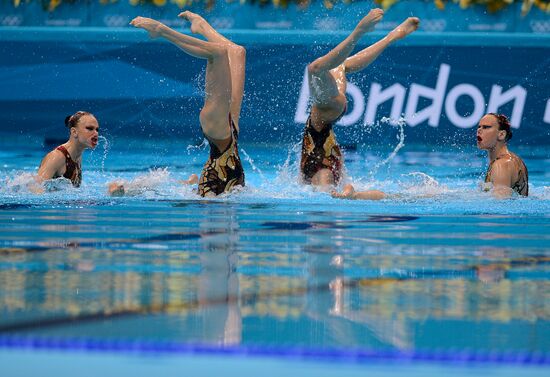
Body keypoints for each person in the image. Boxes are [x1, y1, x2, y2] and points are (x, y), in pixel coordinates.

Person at [117, 12, 246, 198]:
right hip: (225, 134)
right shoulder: (215, 195)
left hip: (222, 134)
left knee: (224, 52)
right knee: (234, 52)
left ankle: (176, 29)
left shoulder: (209, 197)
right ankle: (170, 30)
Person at [302, 9, 418, 197]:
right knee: (329, 67)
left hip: (325, 118)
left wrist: (361, 31)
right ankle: (384, 35)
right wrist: (391, 37)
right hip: (329, 119)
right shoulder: (323, 171)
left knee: (316, 69)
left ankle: (361, 31)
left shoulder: (319, 173)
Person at [36, 111, 99, 189]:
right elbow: (36, 189)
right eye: (90, 128)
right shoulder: (56, 157)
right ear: (74, 132)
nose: (96, 133)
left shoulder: (77, 156)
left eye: (97, 130)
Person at [477, 113, 528, 198]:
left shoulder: (501, 165)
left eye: (486, 127)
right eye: (479, 127)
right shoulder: (511, 159)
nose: (479, 130)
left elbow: (500, 206)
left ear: (501, 135)